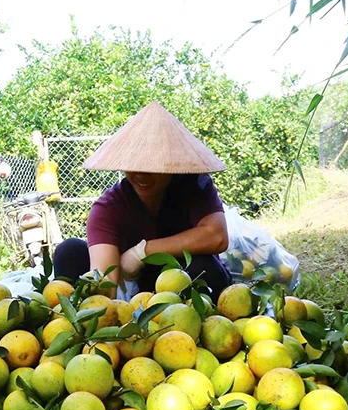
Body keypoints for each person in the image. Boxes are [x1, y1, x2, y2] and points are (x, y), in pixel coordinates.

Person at [53, 101, 231, 297]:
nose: (141, 175)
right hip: (137, 289)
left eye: (152, 167)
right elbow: (105, 281)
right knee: (69, 252)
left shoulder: (194, 186)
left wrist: (142, 252)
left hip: (182, 286)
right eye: (134, 166)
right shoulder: (108, 208)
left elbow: (217, 236)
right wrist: (104, 299)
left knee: (203, 268)